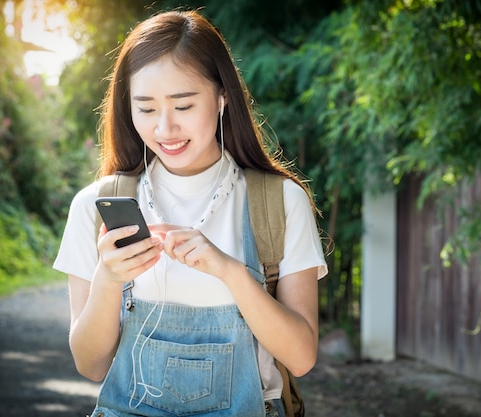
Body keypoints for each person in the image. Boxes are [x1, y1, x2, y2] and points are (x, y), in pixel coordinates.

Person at [53, 8, 328, 417]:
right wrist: (109, 279)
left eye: (183, 106)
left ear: (222, 98)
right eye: (146, 109)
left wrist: (230, 271)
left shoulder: (279, 202)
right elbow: (90, 365)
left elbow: (302, 358)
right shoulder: (94, 207)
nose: (165, 129)